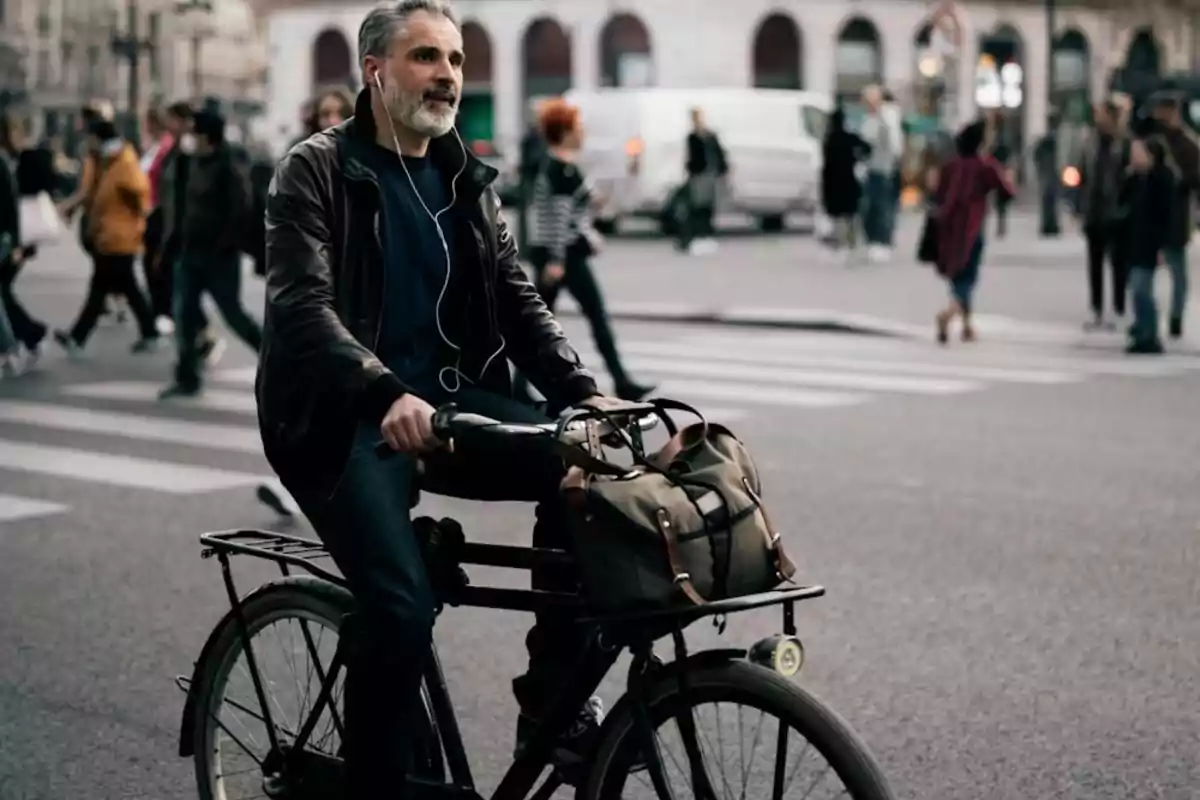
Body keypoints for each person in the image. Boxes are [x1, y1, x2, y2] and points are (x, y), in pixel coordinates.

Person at [255, 2, 627, 795]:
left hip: (451, 405)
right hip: (341, 419)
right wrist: (382, 387)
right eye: (426, 57)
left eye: (455, 60)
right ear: (375, 71)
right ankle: (370, 782)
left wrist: (583, 395)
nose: (448, 76)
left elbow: (516, 296)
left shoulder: (463, 176)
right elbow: (300, 307)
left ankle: (553, 709)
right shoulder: (315, 168)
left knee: (589, 478)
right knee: (398, 608)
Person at [522, 98, 653, 404]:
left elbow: (579, 206)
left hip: (559, 253)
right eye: (577, 127)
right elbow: (556, 217)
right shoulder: (559, 169)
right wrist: (555, 260)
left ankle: (520, 385)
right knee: (590, 316)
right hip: (563, 255)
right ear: (565, 132)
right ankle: (622, 380)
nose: (582, 133)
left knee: (538, 322)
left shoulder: (561, 168)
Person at [159, 109, 261, 399]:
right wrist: (171, 245)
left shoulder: (228, 164)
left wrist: (224, 244)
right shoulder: (188, 162)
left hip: (219, 257)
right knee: (184, 314)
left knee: (234, 315)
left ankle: (277, 361)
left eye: (195, 132)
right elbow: (178, 206)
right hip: (189, 253)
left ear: (208, 137)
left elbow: (241, 209)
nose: (190, 137)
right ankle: (187, 377)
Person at [53, 118, 160, 355]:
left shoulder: (123, 163)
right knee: (124, 287)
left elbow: (140, 195)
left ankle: (77, 337)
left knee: (102, 289)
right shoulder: (107, 162)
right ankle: (149, 331)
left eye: (90, 138)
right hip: (109, 235)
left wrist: (136, 219)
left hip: (119, 237)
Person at [931, 119, 1016, 344]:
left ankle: (967, 326)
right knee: (968, 277)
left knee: (957, 274)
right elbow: (1007, 190)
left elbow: (937, 195)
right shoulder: (985, 166)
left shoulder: (950, 166)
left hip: (948, 228)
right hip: (971, 228)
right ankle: (949, 313)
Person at [1076, 100, 1131, 331]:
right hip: (1094, 211)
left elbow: (1129, 178)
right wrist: (1079, 205)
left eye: (1103, 115)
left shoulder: (1125, 143)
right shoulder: (1090, 142)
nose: (1099, 119)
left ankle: (1119, 308)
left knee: (1118, 264)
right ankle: (1097, 308)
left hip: (1117, 213)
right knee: (1094, 264)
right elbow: (1082, 173)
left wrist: (1126, 208)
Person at [1148, 91, 1198, 340]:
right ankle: (1148, 317)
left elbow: (1196, 180)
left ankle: (1176, 317)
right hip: (1151, 214)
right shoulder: (1152, 139)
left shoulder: (1187, 143)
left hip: (1176, 216)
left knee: (1177, 271)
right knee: (1144, 270)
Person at [1121, 135, 1177, 354]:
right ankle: (1142, 329)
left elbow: (1167, 216)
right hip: (1133, 243)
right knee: (1137, 289)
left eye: (1138, 152)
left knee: (1141, 288)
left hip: (1149, 244)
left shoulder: (1162, 179)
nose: (1134, 157)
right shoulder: (1134, 179)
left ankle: (1149, 333)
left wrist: (1163, 246)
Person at [820, 106, 871, 258]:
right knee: (850, 214)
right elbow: (867, 148)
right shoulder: (850, 138)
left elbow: (826, 163)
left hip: (832, 181)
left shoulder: (828, 140)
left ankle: (838, 242)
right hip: (848, 180)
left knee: (836, 215)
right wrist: (858, 158)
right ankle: (852, 242)